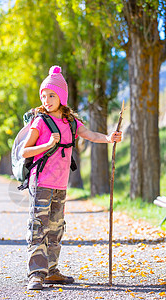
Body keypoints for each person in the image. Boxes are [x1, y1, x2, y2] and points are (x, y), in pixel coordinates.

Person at [22, 65, 122, 290]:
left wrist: (109, 137)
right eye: (44, 95)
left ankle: (52, 270)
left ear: (62, 97)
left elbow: (90, 134)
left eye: (51, 95)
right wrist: (47, 144)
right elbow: (24, 151)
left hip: (60, 184)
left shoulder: (71, 122)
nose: (46, 100)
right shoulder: (40, 122)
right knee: (39, 227)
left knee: (56, 228)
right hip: (40, 183)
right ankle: (36, 274)